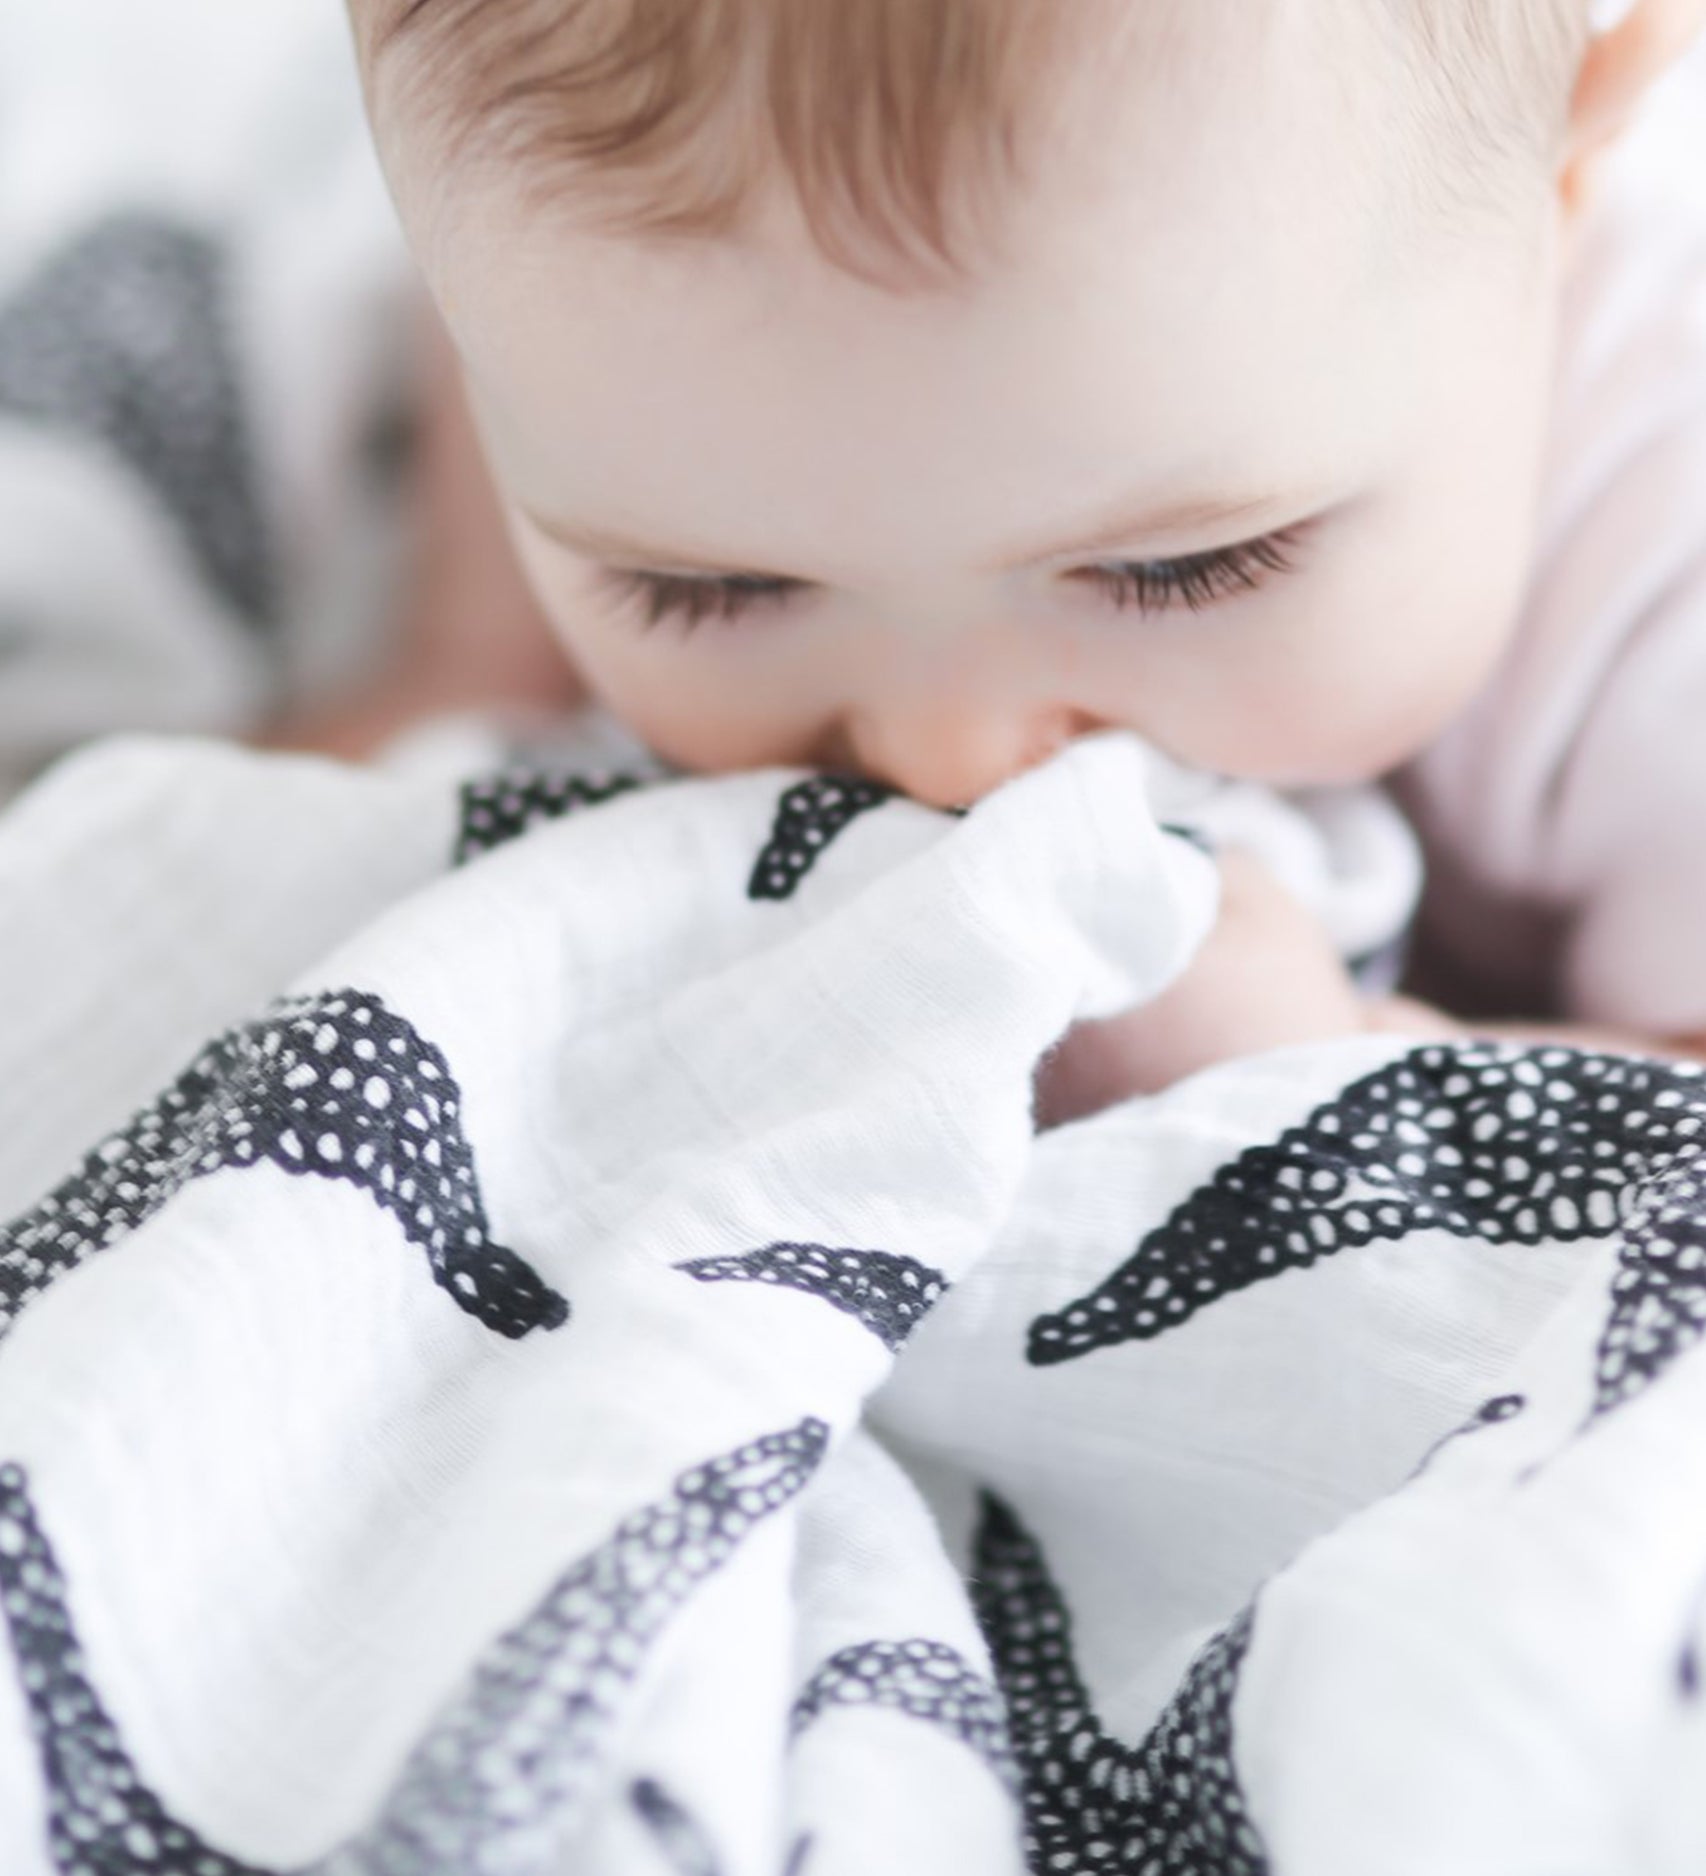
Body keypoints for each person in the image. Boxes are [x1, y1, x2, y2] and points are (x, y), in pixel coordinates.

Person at [296, 0, 1706, 1110]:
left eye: (1181, 569)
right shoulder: (623, 325)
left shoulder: (1661, 559)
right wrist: (468, 652)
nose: (945, 757)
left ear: (1559, 187)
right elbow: (527, 333)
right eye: (706, 584)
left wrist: (1337, 1065)